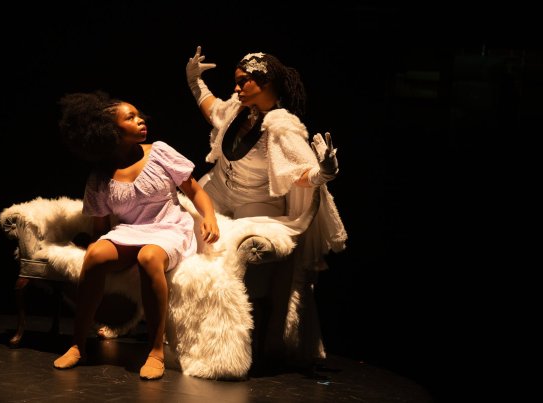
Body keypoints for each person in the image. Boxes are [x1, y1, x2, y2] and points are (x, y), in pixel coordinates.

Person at [184, 46, 348, 366]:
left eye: (243, 81)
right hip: (219, 189)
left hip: (257, 201)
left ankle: (249, 342)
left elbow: (299, 173)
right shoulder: (239, 107)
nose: (236, 87)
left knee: (236, 251)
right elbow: (213, 110)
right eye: (236, 81)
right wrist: (195, 83)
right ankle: (191, 330)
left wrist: (322, 172)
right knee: (180, 229)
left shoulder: (281, 125)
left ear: (266, 82)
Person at [53, 90, 220, 380]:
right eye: (130, 118)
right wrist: (99, 248)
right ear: (110, 131)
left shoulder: (160, 152)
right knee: (95, 254)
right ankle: (77, 343)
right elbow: (100, 228)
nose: (141, 120)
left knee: (149, 256)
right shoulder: (100, 176)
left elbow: (195, 190)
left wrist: (210, 217)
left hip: (168, 227)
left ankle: (155, 350)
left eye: (138, 114)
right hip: (130, 230)